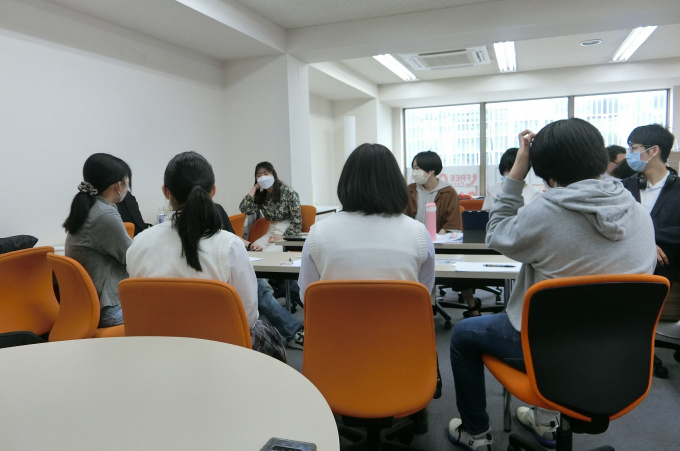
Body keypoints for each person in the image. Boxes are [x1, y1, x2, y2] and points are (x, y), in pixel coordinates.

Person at [447, 118, 656, 450]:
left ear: (546, 172)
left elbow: (495, 233)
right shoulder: (637, 210)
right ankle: (545, 422)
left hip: (552, 350)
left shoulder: (547, 211)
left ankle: (476, 433)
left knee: (463, 334)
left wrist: (516, 173)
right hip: (621, 349)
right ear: (599, 157)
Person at [126, 151, 287, 362]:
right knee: (268, 332)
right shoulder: (229, 245)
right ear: (213, 191)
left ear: (166, 192)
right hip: (219, 354)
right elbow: (248, 318)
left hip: (156, 354)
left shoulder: (138, 243)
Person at [215, 204, 305, 350]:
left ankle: (315, 315)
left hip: (273, 240)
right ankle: (294, 331)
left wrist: (250, 244)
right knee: (261, 287)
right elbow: (245, 207)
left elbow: (230, 236)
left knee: (280, 280)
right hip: (229, 304)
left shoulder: (216, 211)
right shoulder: (215, 213)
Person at [63, 153, 132, 328]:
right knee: (168, 304)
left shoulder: (93, 207)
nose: (128, 185)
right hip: (109, 310)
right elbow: (132, 258)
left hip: (90, 306)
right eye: (126, 180)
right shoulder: (103, 214)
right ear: (117, 185)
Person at [621, 124, 680, 284]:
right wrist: (645, 243)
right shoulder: (622, 188)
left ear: (654, 150)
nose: (629, 154)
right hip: (626, 276)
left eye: (633, 148)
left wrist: (644, 238)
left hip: (670, 280)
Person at [239, 162, 302, 251]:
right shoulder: (262, 196)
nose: (263, 177)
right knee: (253, 251)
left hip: (287, 233)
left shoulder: (288, 192)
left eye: (266, 174)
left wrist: (284, 237)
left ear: (273, 174)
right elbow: (244, 208)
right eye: (259, 175)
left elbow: (297, 221)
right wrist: (254, 188)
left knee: (267, 254)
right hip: (271, 232)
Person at [405, 150, 461, 233]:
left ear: (431, 170)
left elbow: (452, 222)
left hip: (439, 238)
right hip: (412, 237)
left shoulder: (448, 192)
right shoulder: (409, 190)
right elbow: (402, 217)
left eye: (417, 168)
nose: (414, 172)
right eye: (413, 169)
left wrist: (439, 236)